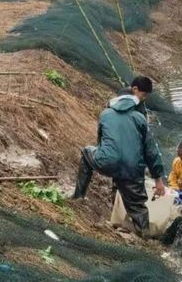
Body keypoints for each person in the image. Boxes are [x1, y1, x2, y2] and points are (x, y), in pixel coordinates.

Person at [71, 76, 165, 236]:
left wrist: (109, 159)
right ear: (134, 97)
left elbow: (101, 142)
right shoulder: (140, 118)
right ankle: (145, 237)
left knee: (87, 152)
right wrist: (158, 180)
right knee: (137, 206)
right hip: (132, 168)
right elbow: (151, 151)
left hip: (106, 161)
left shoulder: (105, 114)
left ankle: (78, 197)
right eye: (143, 97)